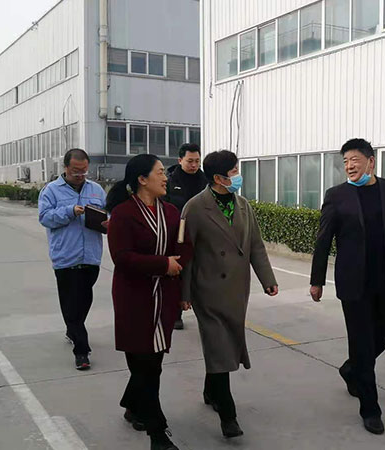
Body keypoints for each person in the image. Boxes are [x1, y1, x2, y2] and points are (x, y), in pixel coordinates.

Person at [309, 138, 385, 435]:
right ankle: (370, 408)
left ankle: (351, 370)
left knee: (382, 338)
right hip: (354, 283)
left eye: (355, 160)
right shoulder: (337, 196)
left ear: (370, 161)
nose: (349, 166)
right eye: (345, 161)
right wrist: (316, 280)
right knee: (361, 343)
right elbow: (323, 240)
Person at [181, 150, 278, 439]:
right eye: (234, 171)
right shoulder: (194, 208)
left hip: (237, 289)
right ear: (218, 178)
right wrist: (184, 293)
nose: (238, 176)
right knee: (219, 346)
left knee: (222, 348)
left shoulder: (243, 205)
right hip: (208, 290)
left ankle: (211, 391)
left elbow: (256, 245)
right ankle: (228, 415)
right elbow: (186, 254)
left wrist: (268, 279)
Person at [106, 154, 192, 450]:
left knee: (152, 364)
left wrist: (180, 272)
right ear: (142, 179)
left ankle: (132, 406)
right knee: (144, 366)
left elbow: (184, 246)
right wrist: (162, 264)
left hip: (164, 296)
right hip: (135, 298)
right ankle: (157, 433)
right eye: (160, 172)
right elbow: (122, 257)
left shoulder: (171, 211)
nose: (166, 177)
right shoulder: (123, 214)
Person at [38, 148, 106, 371]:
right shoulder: (51, 191)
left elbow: (108, 214)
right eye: (76, 171)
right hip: (65, 257)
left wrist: (107, 222)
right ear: (66, 167)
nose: (80, 175)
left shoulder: (96, 190)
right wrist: (69, 211)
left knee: (84, 301)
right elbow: (45, 218)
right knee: (71, 305)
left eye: (84, 171)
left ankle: (73, 329)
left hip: (91, 256)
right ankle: (81, 351)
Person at [164, 143, 207, 330]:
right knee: (178, 275)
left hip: (202, 235)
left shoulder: (206, 181)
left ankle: (205, 314)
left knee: (202, 275)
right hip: (178, 235)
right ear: (180, 160)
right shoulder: (169, 181)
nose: (194, 165)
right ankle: (176, 314)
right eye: (190, 161)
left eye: (197, 161)